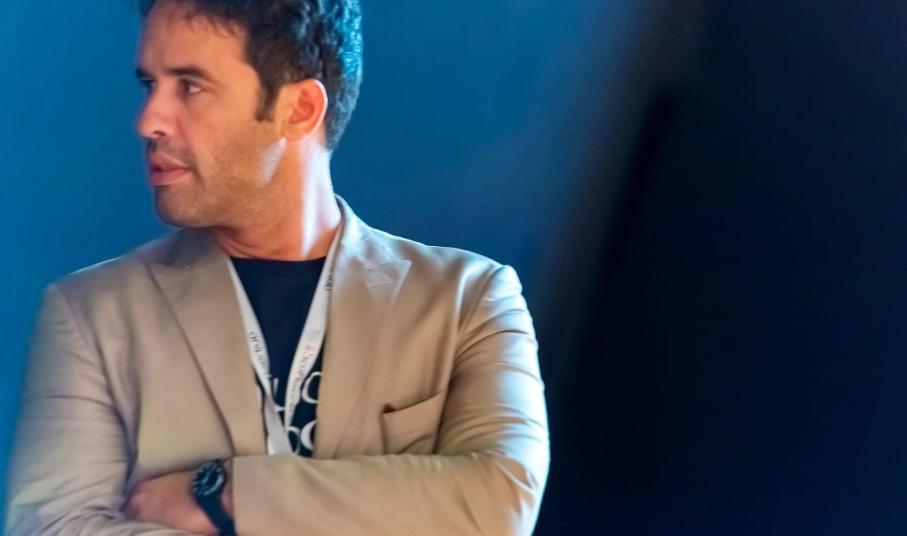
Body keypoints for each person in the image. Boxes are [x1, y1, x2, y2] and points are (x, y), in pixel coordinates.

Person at [4, 0, 549, 534]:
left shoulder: (470, 299)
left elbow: (502, 505)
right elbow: (51, 527)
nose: (148, 121)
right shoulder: (89, 314)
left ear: (300, 110)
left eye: (190, 86)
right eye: (151, 85)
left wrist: (224, 493)